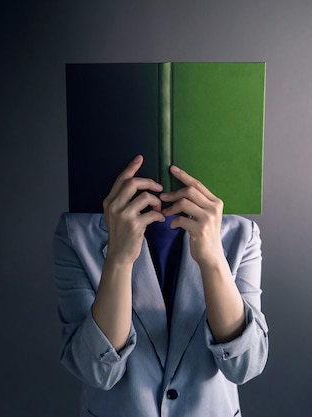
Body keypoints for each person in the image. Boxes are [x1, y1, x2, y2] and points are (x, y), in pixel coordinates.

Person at [54, 155, 269, 417]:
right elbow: (95, 370)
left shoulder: (241, 233)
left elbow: (245, 365)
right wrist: (118, 261)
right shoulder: (76, 232)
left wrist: (214, 261)